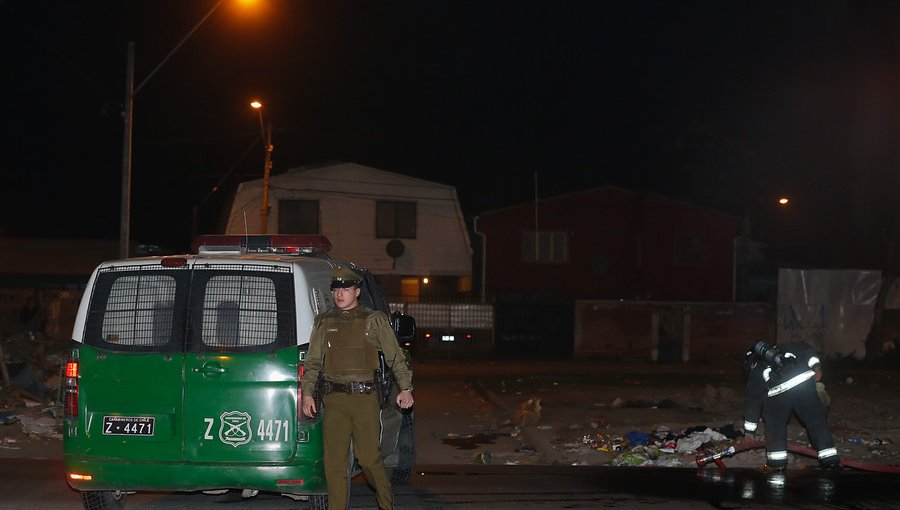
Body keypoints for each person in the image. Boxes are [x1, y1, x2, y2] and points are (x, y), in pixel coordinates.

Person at [300, 265, 414, 510]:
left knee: (368, 459)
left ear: (357, 291)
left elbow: (395, 356)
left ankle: (386, 504)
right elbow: (313, 361)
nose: (340, 294)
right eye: (336, 289)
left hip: (364, 399)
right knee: (334, 463)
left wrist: (405, 387)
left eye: (346, 289)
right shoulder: (324, 322)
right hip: (334, 401)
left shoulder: (373, 320)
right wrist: (307, 392)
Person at [742, 340, 840, 472]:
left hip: (778, 394)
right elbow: (808, 350)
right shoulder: (788, 347)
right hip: (804, 384)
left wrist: (749, 434)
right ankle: (830, 460)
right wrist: (816, 367)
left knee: (775, 425)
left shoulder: (757, 368)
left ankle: (777, 465)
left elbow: (753, 402)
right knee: (816, 421)